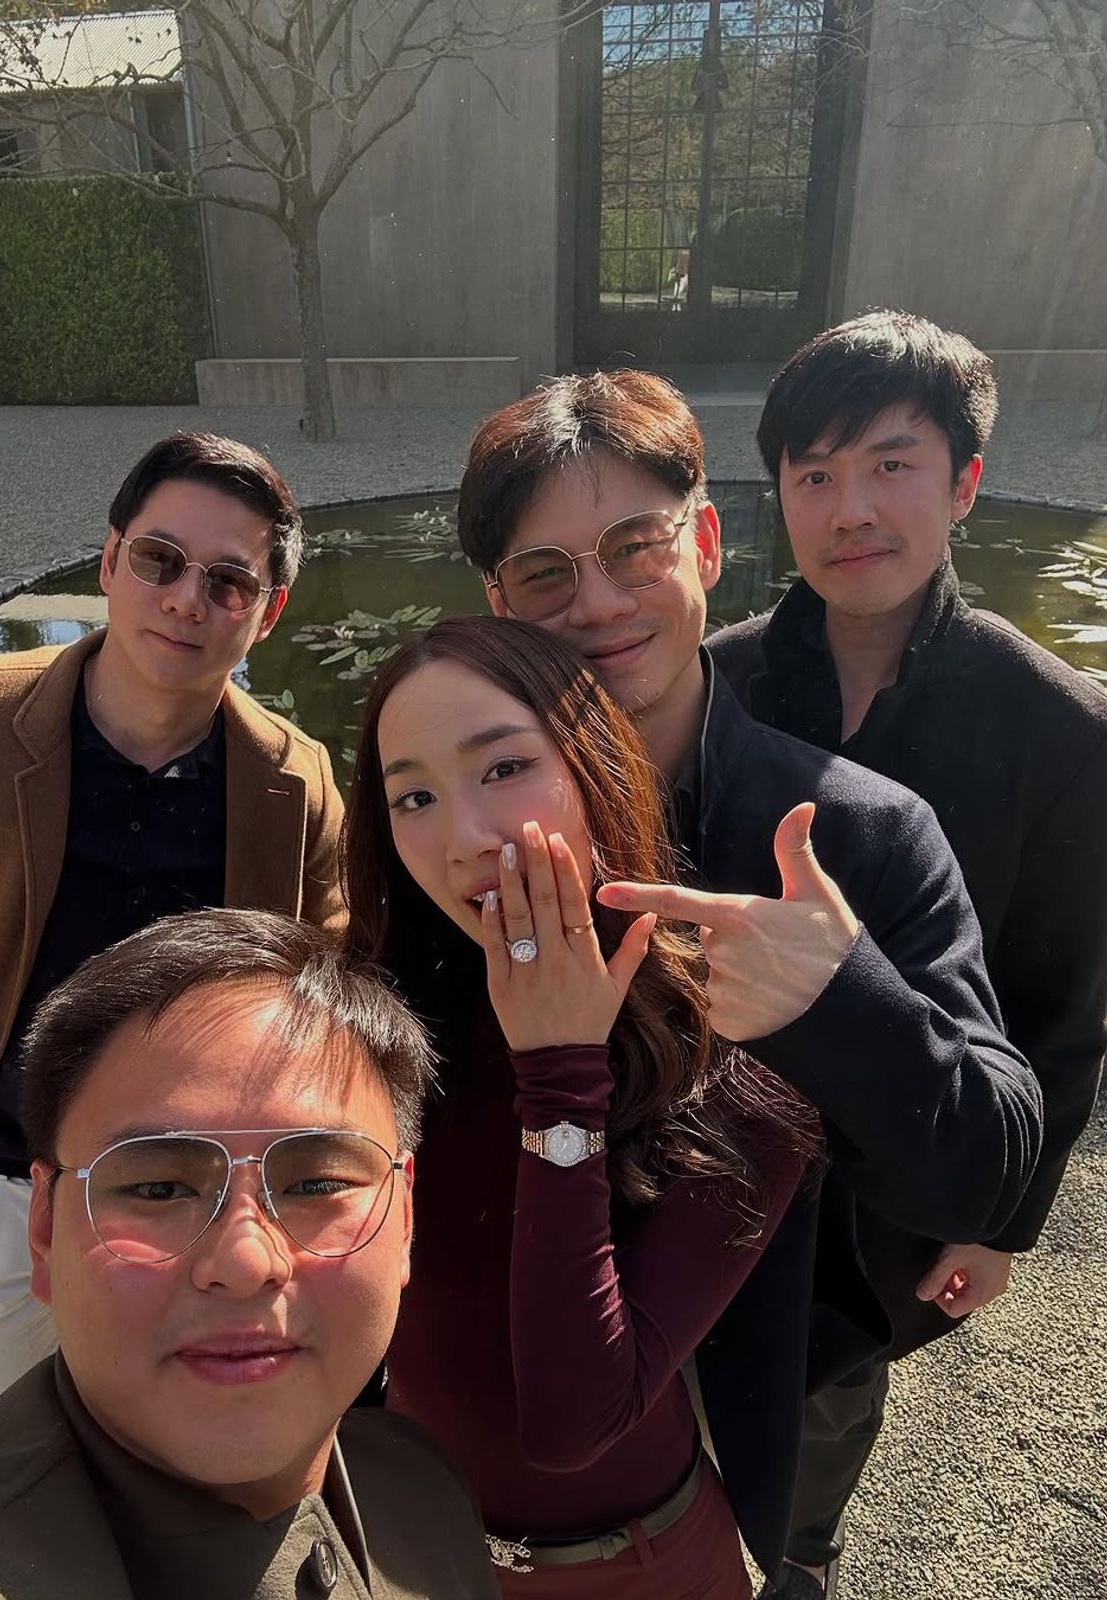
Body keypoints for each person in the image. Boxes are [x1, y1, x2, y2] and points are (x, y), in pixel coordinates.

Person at [452, 371, 1044, 1590]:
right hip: (500, 1372)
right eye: (545, 573)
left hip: (777, 1361)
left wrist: (841, 999)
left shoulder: (859, 833)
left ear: (707, 543)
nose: (598, 603)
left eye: (635, 546)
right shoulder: (454, 833)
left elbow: (985, 1168)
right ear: (498, 603)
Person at [0, 431, 345, 1454]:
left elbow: (321, 1001)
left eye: (229, 581)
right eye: (160, 559)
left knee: (174, 1469)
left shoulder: (295, 785)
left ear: (268, 611)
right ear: (110, 560)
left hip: (193, 1202)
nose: (186, 599)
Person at [705, 310, 1107, 1595]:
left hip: (904, 1158)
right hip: (713, 1149)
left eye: (890, 465)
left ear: (963, 482)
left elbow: (1060, 1007)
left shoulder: (1059, 728)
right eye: (813, 474)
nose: (851, 511)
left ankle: (801, 1559)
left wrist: (1003, 1221)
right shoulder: (711, 686)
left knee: (828, 1394)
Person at [344, 615, 822, 1598]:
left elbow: (571, 1421)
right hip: (410, 1549)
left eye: (505, 767)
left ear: (595, 768)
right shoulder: (374, 1016)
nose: (464, 839)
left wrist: (559, 1073)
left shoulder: (724, 1063)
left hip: (639, 1566)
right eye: (414, 796)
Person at [0, 909, 500, 1599]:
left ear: (405, 1216)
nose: (245, 1262)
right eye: (158, 1189)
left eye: (317, 1184)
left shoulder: (421, 1490)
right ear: (45, 1231)